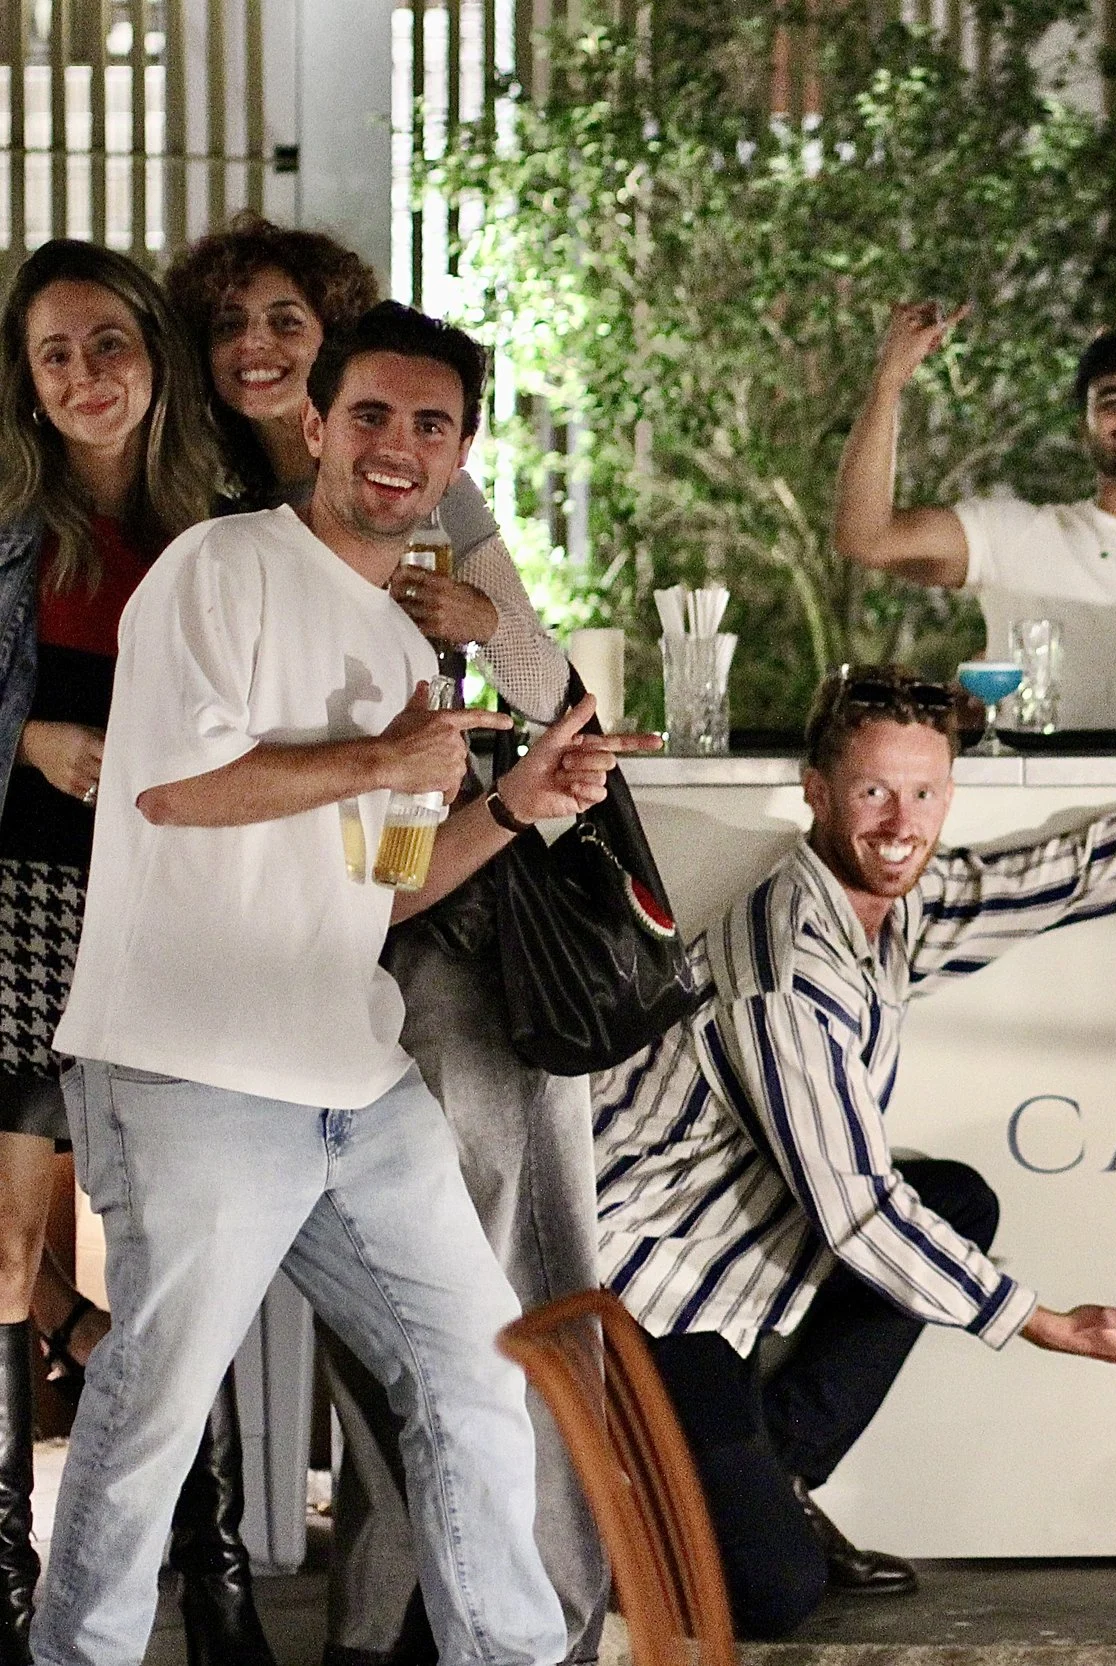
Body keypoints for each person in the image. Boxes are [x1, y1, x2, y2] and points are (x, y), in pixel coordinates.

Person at [39, 302, 638, 1666]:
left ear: (459, 457)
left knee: (483, 1375)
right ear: (316, 424)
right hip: (192, 1070)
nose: (397, 447)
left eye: (431, 427)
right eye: (371, 414)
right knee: (150, 1415)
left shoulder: (396, 637)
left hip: (352, 1081)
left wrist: (515, 802)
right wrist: (382, 762)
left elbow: (389, 890)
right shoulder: (218, 566)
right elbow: (168, 790)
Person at [591, 664, 1116, 1637]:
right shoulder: (784, 970)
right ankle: (588, 1514)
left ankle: (774, 1467)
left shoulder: (895, 906)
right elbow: (860, 1213)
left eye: (922, 792)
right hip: (653, 1297)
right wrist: (1047, 1323)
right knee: (774, 1594)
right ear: (818, 791)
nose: (898, 821)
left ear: (947, 794)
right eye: (872, 791)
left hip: (745, 1260)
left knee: (952, 1198)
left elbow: (1060, 876)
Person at [0, 240, 256, 1666]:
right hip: (24, 899)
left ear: (155, 357)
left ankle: (208, 1562)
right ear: (28, 384)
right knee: (9, 1234)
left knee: (181, 1243)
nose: (87, 375)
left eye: (109, 344)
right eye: (56, 354)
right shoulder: (7, 524)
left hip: (178, 902)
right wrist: (29, 736)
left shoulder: (219, 524)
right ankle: (7, 1558)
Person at [832, 307, 1116, 729]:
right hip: (1019, 810)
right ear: (1082, 427)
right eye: (1113, 401)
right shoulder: (1012, 536)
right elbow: (865, 537)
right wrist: (889, 380)